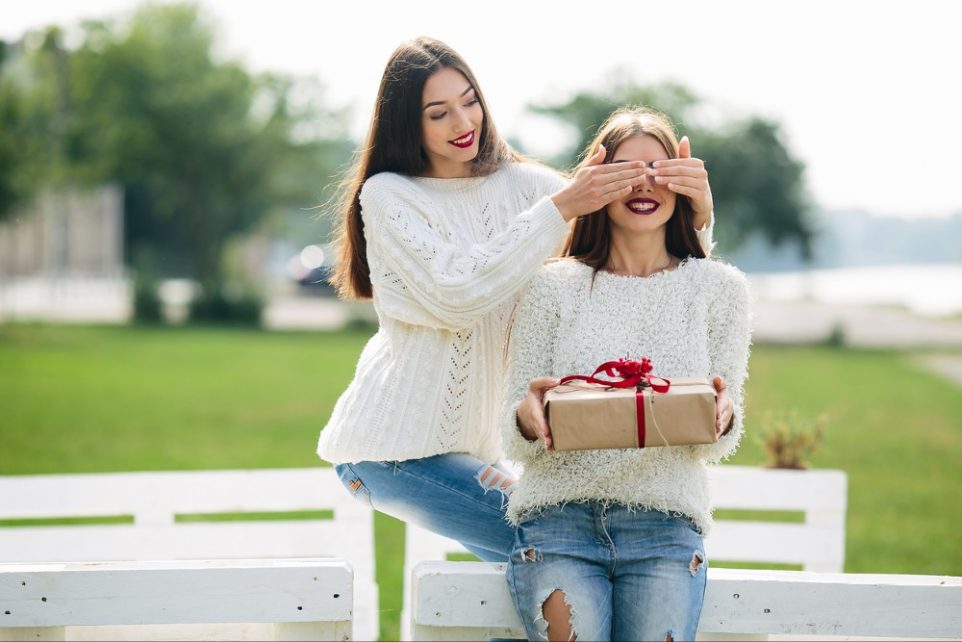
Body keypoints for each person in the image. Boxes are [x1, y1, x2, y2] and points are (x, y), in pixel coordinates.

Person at [316, 36, 716, 563]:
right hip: (391, 454)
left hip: (476, 454)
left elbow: (626, 256)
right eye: (439, 113)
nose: (463, 123)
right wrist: (559, 209)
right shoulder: (391, 195)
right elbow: (457, 294)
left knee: (556, 559)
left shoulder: (528, 187)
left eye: (470, 101)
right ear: (406, 123)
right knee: (561, 549)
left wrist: (698, 214)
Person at [502, 107, 752, 641]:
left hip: (665, 530)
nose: (644, 184)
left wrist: (724, 415)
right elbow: (513, 433)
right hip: (557, 524)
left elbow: (720, 438)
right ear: (597, 182)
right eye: (626, 171)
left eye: (660, 170)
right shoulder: (551, 288)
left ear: (683, 183)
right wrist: (528, 418)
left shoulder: (719, 290)